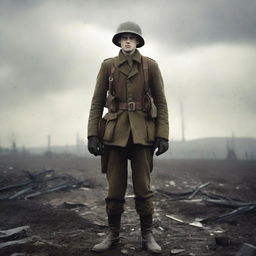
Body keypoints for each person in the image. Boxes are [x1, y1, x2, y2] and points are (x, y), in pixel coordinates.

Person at [87, 21, 169, 254]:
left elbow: (161, 103)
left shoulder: (150, 66)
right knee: (114, 189)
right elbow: (96, 102)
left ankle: (147, 236)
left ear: (138, 41)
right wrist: (93, 134)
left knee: (144, 188)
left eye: (132, 38)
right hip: (114, 134)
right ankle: (112, 235)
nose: (127, 41)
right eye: (123, 38)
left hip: (143, 134)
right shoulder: (108, 66)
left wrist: (163, 135)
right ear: (118, 41)